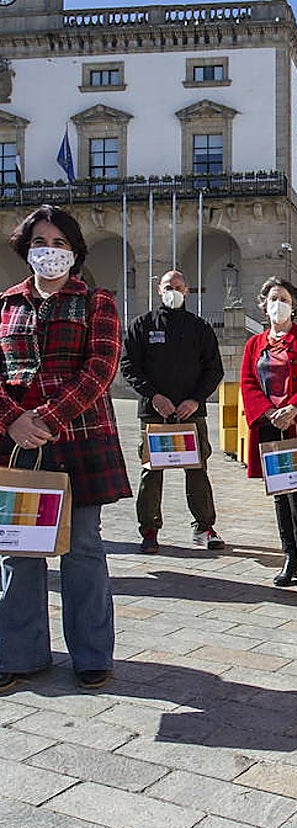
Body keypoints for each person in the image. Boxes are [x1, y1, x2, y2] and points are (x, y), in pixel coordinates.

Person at [0, 205, 132, 692]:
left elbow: (100, 369)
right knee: (17, 552)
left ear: (74, 252)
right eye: (41, 242)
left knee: (83, 549)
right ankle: (19, 652)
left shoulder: (97, 302)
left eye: (59, 244)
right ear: (26, 248)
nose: (49, 252)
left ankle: (92, 654)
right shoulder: (5, 305)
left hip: (77, 440)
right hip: (15, 445)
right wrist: (12, 419)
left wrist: (48, 419)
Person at [120, 269, 225, 554]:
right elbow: (128, 365)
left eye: (179, 286)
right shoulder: (141, 325)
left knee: (197, 469)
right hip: (154, 413)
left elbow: (214, 369)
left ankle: (204, 527)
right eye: (168, 286)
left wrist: (195, 400)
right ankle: (149, 530)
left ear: (188, 291)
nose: (173, 290)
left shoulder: (200, 328)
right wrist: (153, 396)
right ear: (158, 290)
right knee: (151, 472)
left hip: (191, 413)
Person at [239, 277, 297, 592]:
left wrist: (295, 408)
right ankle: (289, 556)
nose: (279, 304)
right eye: (274, 298)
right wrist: (266, 412)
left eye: (285, 299)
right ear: (263, 305)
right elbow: (248, 382)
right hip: (269, 428)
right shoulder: (254, 344)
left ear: (294, 306)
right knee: (279, 494)